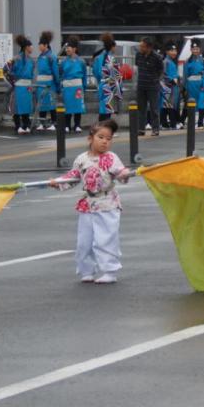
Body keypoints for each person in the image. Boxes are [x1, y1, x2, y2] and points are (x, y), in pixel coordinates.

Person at [49, 119, 132, 284]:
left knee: (106, 239)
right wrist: (57, 182)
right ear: (90, 138)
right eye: (101, 137)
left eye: (108, 139)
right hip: (87, 204)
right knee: (84, 241)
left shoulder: (111, 158)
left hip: (107, 203)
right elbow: (72, 177)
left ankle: (109, 271)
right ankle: (86, 270)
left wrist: (125, 173)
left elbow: (121, 172)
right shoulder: (81, 159)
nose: (104, 141)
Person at [6, 35, 36, 135]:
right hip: (18, 85)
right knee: (17, 106)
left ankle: (26, 125)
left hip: (27, 86)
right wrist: (13, 82)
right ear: (26, 47)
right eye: (31, 46)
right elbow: (6, 70)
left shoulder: (32, 60)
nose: (32, 48)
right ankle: (18, 125)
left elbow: (32, 74)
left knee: (27, 106)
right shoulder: (16, 59)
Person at [134, 37, 164, 137]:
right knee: (141, 108)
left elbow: (161, 70)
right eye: (140, 46)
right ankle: (141, 129)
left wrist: (156, 80)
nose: (140, 48)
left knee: (154, 108)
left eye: (142, 46)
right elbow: (137, 66)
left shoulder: (157, 57)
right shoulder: (138, 55)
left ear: (149, 47)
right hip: (141, 85)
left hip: (153, 86)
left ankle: (155, 129)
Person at [58, 36, 88, 134]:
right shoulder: (63, 62)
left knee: (78, 106)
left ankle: (77, 125)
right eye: (66, 48)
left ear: (74, 49)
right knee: (67, 106)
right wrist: (61, 86)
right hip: (67, 86)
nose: (67, 49)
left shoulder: (81, 61)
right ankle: (67, 125)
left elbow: (84, 75)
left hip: (77, 86)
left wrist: (84, 86)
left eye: (69, 48)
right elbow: (60, 74)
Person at [35, 31, 61, 132]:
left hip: (50, 84)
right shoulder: (40, 56)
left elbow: (55, 72)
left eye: (40, 45)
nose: (39, 47)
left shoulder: (51, 56)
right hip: (40, 84)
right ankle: (42, 123)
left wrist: (57, 85)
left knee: (51, 103)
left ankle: (54, 123)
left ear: (45, 45)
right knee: (41, 103)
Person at [91, 33, 121, 119]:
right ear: (111, 47)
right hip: (110, 84)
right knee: (108, 108)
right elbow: (116, 75)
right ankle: (106, 126)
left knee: (102, 106)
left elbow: (95, 72)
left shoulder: (98, 58)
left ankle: (101, 125)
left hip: (101, 84)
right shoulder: (112, 58)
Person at [183, 39, 204, 128]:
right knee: (191, 104)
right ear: (191, 50)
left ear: (199, 49)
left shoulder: (203, 60)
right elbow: (185, 75)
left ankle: (200, 122)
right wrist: (184, 87)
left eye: (197, 49)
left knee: (201, 103)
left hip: (200, 84)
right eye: (194, 49)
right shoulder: (188, 61)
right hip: (191, 84)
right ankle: (191, 121)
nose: (195, 50)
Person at [160, 42, 182, 130]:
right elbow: (163, 74)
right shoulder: (165, 62)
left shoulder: (171, 61)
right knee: (169, 105)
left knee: (169, 105)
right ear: (167, 52)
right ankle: (171, 123)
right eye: (171, 50)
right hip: (168, 86)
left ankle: (165, 123)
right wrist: (171, 80)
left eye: (175, 50)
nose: (174, 52)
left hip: (173, 86)